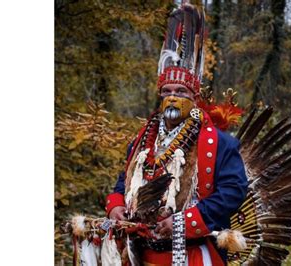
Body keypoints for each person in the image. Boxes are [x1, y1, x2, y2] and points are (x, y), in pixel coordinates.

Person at [105, 3, 248, 265]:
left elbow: (233, 191)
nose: (172, 98)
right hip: (140, 252)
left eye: (181, 92)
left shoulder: (220, 143)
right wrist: (115, 204)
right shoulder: (143, 142)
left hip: (193, 253)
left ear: (194, 98)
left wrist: (183, 221)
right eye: (166, 91)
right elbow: (122, 183)